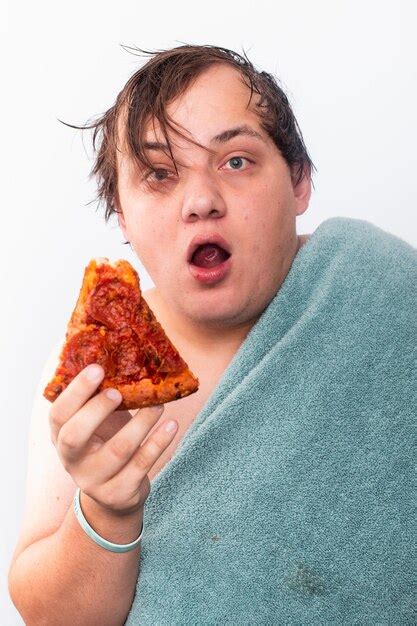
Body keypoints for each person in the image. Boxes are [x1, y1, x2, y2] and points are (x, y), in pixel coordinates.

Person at [8, 44, 415, 625]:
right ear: (121, 216)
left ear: (298, 181)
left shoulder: (390, 294)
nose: (200, 201)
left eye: (235, 162)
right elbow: (54, 619)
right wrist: (106, 509)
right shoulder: (94, 373)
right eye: (159, 174)